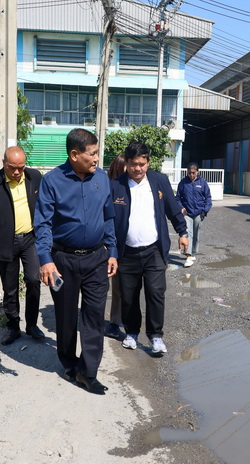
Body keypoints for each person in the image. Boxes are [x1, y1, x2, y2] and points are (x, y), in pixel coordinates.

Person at [34, 128, 118, 394]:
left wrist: (113, 250)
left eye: (97, 153)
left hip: (96, 259)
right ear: (74, 154)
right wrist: (46, 260)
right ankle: (69, 363)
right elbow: (43, 224)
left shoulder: (102, 178)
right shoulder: (52, 181)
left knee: (94, 316)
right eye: (92, 154)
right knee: (66, 316)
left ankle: (88, 372)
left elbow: (108, 217)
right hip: (63, 261)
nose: (97, 158)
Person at [111, 141, 188, 355]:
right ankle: (131, 332)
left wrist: (182, 232)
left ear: (148, 162)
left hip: (154, 250)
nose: (138, 168)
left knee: (156, 294)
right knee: (129, 297)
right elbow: (108, 220)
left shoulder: (159, 181)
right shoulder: (116, 186)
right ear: (126, 163)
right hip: (127, 252)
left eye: (142, 164)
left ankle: (156, 336)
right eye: (133, 164)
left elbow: (173, 208)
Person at [0, 146, 44, 345]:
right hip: (6, 242)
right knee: (10, 288)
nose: (17, 172)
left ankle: (32, 324)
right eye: (12, 167)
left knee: (34, 280)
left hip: (30, 239)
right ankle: (13, 326)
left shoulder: (35, 177)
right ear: (4, 163)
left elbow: (46, 205)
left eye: (21, 167)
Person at [105, 154, 127, 339]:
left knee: (126, 288)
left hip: (130, 246)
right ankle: (113, 322)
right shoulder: (110, 187)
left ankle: (124, 320)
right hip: (111, 246)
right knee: (113, 287)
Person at [177, 162, 212, 268]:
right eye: (189, 173)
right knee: (188, 233)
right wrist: (181, 208)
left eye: (193, 173)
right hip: (187, 213)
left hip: (199, 213)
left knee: (196, 233)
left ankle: (192, 252)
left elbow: (208, 198)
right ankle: (188, 256)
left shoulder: (202, 182)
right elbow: (177, 198)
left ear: (197, 172)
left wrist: (205, 210)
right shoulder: (183, 183)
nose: (191, 175)